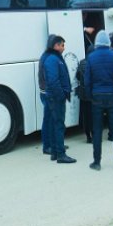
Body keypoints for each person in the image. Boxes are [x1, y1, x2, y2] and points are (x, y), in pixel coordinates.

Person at [84, 31, 113, 170]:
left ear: (96, 42)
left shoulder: (91, 57)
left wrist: (91, 96)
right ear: (108, 43)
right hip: (112, 95)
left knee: (97, 130)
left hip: (96, 96)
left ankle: (97, 162)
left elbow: (87, 81)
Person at [42, 35, 77, 163]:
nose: (64, 47)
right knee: (58, 125)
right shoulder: (52, 59)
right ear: (56, 46)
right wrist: (62, 95)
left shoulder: (55, 58)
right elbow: (53, 80)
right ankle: (61, 155)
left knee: (56, 124)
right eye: (62, 45)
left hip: (55, 97)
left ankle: (56, 153)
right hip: (56, 98)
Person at [38, 34, 57, 155]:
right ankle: (47, 146)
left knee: (52, 120)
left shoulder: (46, 56)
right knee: (49, 120)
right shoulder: (48, 58)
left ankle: (55, 144)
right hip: (48, 93)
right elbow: (50, 78)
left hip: (46, 92)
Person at [75, 57, 93, 143]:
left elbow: (78, 76)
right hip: (93, 94)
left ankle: (88, 136)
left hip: (83, 93)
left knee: (86, 116)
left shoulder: (81, 62)